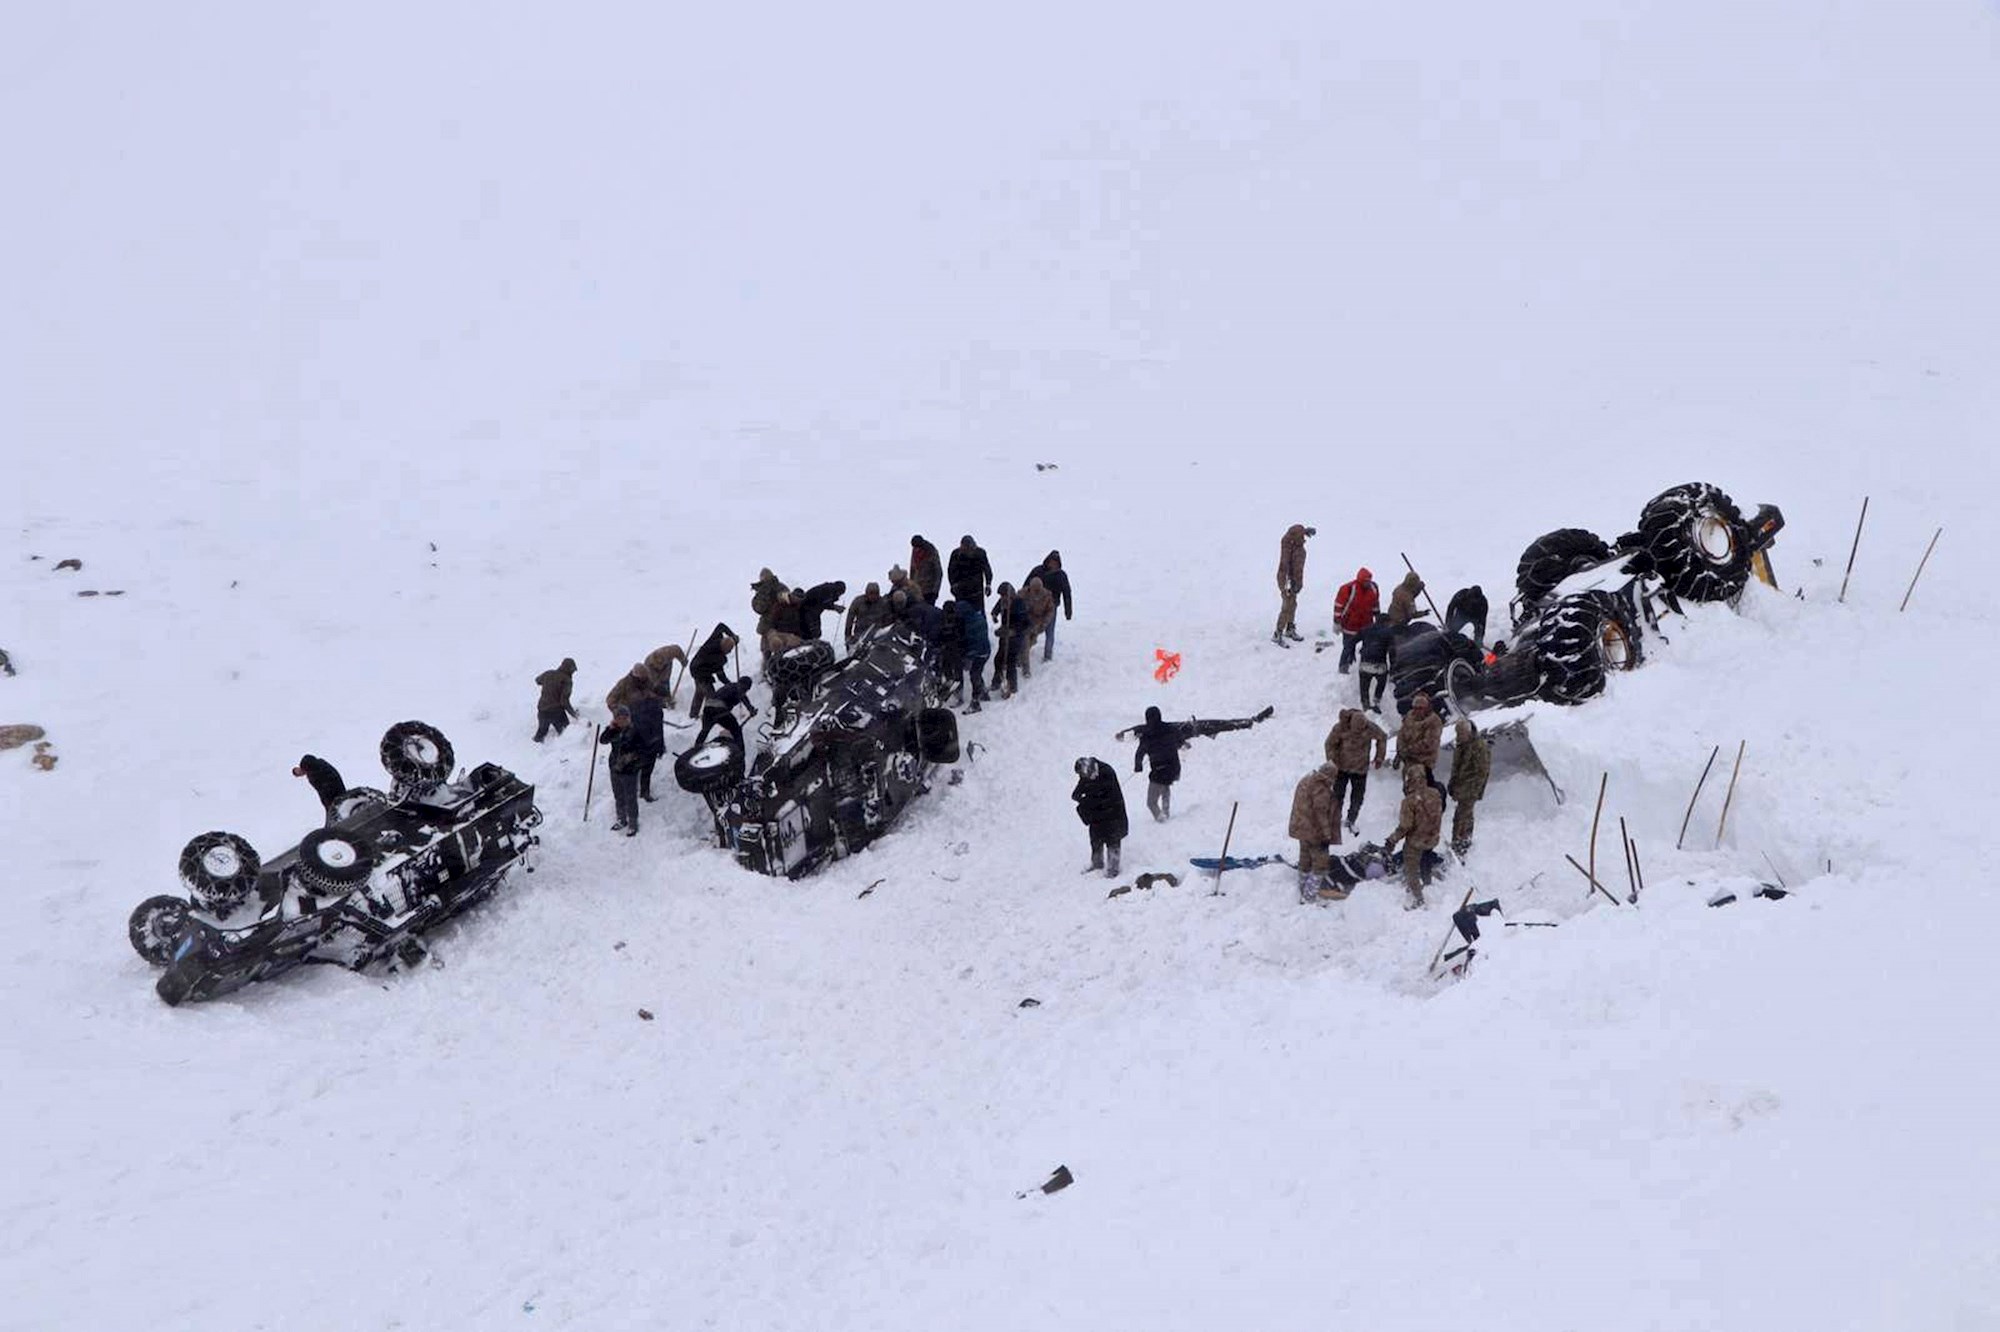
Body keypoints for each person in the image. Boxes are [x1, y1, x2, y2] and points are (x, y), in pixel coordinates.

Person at [1130, 705, 1274, 821]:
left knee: (1151, 801)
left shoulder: (1147, 735)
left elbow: (1140, 752)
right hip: (1173, 768)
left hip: (1159, 770)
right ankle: (1166, 812)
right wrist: (1182, 744)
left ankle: (1161, 819)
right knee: (1166, 785)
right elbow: (1180, 740)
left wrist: (1138, 766)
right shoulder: (1170, 729)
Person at [1383, 763, 1444, 908]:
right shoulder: (1435, 793)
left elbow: (1405, 826)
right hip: (1433, 838)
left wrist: (1392, 839)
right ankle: (1427, 880)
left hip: (1416, 841)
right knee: (1426, 858)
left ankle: (1418, 898)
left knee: (1411, 869)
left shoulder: (1409, 801)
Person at [1323, 707, 1388, 835]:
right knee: (1337, 795)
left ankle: (1351, 820)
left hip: (1360, 769)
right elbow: (1329, 744)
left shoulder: (1369, 727)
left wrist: (1379, 757)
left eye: (1361, 730)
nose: (1359, 732)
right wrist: (1332, 761)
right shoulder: (1340, 728)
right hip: (1342, 768)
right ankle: (1334, 820)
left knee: (1357, 797)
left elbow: (1382, 737)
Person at [1289, 761, 1348, 902]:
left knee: (1305, 859)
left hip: (1301, 828)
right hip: (1315, 832)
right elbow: (1320, 813)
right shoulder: (1321, 789)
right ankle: (1309, 896)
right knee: (1320, 864)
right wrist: (1326, 834)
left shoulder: (1306, 780)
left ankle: (1302, 887)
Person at [1071, 757, 1129, 879]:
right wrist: (1078, 796)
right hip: (1097, 813)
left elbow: (1107, 797)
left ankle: (1113, 868)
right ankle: (1097, 863)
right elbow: (1081, 788)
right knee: (1095, 838)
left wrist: (1087, 801)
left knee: (1113, 839)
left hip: (1113, 812)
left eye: (1089, 775)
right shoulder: (1086, 773)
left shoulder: (1107, 772)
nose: (1088, 777)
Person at [1446, 718, 1491, 855]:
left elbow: (1482, 771)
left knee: (1463, 816)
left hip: (1470, 789)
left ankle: (1461, 844)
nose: (1459, 736)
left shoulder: (1479, 746)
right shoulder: (1461, 745)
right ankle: (1460, 842)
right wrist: (1452, 784)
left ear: (1469, 732)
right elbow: (1456, 768)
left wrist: (1475, 791)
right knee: (1462, 816)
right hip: (1461, 788)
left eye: (1461, 733)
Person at [601, 705, 643, 836]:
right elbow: (602, 740)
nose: (622, 720)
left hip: (629, 769)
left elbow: (642, 749)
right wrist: (610, 728)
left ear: (629, 718)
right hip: (615, 767)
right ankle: (621, 819)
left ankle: (633, 822)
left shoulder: (635, 731)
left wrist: (631, 759)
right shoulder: (614, 730)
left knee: (631, 797)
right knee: (618, 795)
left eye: (625, 717)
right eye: (619, 718)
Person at [1026, 551, 1073, 661]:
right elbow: (1026, 585)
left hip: (1051, 608)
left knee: (1049, 632)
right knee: (1029, 630)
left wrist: (1068, 611)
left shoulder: (1061, 576)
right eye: (1052, 561)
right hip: (1034, 606)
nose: (1053, 564)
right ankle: (1024, 653)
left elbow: (1067, 593)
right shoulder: (1038, 571)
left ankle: (1047, 656)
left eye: (1056, 562)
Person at [687, 623, 739, 718]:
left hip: (697, 666)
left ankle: (693, 715)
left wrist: (732, 636)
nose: (730, 652)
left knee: (700, 691)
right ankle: (708, 715)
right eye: (728, 651)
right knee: (711, 695)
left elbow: (721, 626)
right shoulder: (718, 659)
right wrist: (731, 685)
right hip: (699, 671)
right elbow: (721, 677)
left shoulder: (716, 638)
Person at [1333, 568, 1380, 673]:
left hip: (1367, 625)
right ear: (1360, 580)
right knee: (1348, 647)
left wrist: (1378, 620)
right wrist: (1337, 622)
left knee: (1368, 647)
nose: (1367, 583)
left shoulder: (1373, 589)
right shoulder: (1348, 589)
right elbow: (1338, 606)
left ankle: (1364, 665)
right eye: (1365, 581)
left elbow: (1375, 605)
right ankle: (1343, 667)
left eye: (1369, 581)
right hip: (1350, 625)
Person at [694, 676, 758, 750]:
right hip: (719, 710)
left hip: (708, 708)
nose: (745, 691)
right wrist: (751, 709)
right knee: (736, 730)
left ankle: (695, 748)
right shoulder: (739, 688)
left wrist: (750, 709)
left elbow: (743, 697)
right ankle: (740, 754)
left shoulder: (730, 686)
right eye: (746, 689)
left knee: (705, 730)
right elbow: (743, 697)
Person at [1274, 523, 1313, 645]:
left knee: (1293, 604)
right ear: (1295, 538)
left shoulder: (1298, 546)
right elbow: (1284, 568)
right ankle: (1278, 632)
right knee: (1287, 606)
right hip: (1287, 581)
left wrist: (1306, 531)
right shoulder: (1288, 548)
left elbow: (1298, 569)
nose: (1304, 539)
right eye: (1301, 536)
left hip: (1295, 580)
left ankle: (1290, 628)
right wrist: (1286, 585)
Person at [989, 582, 1030, 699]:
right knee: (998, 659)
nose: (1002, 598)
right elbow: (996, 609)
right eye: (1001, 596)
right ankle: (997, 681)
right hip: (1004, 634)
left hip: (1016, 636)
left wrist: (1013, 631)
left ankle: (1012, 686)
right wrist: (994, 615)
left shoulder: (1019, 603)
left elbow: (1025, 623)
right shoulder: (1002, 602)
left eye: (1004, 595)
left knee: (1011, 661)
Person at [628, 689, 666, 801]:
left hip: (650, 744)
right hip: (642, 744)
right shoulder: (636, 706)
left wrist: (660, 745)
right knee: (641, 770)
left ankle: (643, 792)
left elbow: (659, 728)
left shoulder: (657, 708)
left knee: (645, 770)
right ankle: (639, 792)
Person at [1395, 691, 1444, 779]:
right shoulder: (1409, 716)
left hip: (1424, 761)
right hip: (1408, 760)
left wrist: (1408, 750)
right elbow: (1401, 734)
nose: (1417, 711)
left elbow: (1430, 743)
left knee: (1419, 787)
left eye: (1420, 708)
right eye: (1415, 708)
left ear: (1426, 707)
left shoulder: (1434, 721)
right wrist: (1399, 753)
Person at [956, 598, 992, 712]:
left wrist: (969, 657)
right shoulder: (974, 618)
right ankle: (984, 693)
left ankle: (975, 702)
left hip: (981, 653)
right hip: (983, 651)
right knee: (976, 673)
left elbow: (976, 643)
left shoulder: (972, 623)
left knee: (974, 675)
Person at [1356, 613, 1395, 712]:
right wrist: (1393, 666)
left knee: (1364, 686)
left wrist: (1350, 653)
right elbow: (1392, 651)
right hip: (1379, 665)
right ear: (1386, 622)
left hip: (1365, 664)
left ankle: (1365, 704)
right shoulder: (1389, 632)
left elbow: (1352, 641)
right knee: (1381, 682)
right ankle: (1377, 702)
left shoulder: (1366, 629)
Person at [533, 657, 579, 741]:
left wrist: (548, 683)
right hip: (556, 713)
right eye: (573, 670)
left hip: (542, 711)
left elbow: (537, 680)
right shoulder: (567, 681)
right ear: (569, 669)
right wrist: (574, 714)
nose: (573, 673)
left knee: (541, 733)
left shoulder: (548, 673)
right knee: (567, 734)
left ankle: (533, 750)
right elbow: (564, 701)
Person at [1019, 576, 1055, 678]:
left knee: (1032, 641)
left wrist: (1044, 623)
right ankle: (1026, 668)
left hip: (1038, 623)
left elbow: (1050, 610)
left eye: (1038, 589)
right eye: (1034, 589)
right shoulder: (1022, 594)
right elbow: (1016, 604)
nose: (1036, 592)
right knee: (1025, 644)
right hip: (1025, 623)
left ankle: (1021, 656)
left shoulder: (1047, 595)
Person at [293, 754, 345, 822]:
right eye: (298, 774)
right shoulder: (313, 768)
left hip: (334, 796)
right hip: (333, 795)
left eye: (298, 772)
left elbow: (324, 787)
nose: (300, 774)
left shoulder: (312, 771)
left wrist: (327, 802)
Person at [948, 534, 993, 606]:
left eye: (970, 549)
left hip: (976, 591)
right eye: (966, 549)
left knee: (978, 614)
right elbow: (951, 571)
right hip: (960, 590)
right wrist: (953, 585)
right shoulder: (956, 554)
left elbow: (987, 569)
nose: (968, 551)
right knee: (961, 612)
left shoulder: (980, 553)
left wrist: (988, 584)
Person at [750, 568, 787, 636]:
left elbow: (787, 601)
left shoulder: (780, 587)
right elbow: (759, 608)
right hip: (768, 625)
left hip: (782, 622)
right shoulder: (762, 591)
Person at [910, 535, 944, 604]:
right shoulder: (915, 552)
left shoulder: (932, 552)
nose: (915, 550)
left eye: (917, 548)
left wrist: (935, 591)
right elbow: (912, 570)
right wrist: (911, 586)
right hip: (917, 590)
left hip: (929, 591)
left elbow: (938, 572)